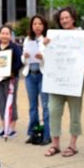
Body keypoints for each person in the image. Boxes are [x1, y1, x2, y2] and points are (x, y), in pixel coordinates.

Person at [44, 6, 84, 157]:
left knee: (75, 113)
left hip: (75, 82)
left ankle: (73, 144)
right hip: (56, 81)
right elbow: (46, 56)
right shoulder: (54, 36)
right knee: (53, 110)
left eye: (67, 17)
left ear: (73, 18)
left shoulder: (83, 35)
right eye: (61, 18)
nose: (64, 20)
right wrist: (45, 45)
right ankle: (55, 144)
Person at [22, 14, 51, 145]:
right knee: (33, 106)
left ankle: (47, 135)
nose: (37, 26)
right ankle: (33, 133)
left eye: (40, 24)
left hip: (42, 74)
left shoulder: (47, 39)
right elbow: (23, 60)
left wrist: (42, 55)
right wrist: (25, 56)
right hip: (30, 74)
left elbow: (50, 57)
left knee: (45, 106)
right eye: (34, 24)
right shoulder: (28, 39)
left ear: (43, 25)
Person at [0, 25, 23, 138]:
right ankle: (4, 128)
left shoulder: (15, 47)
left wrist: (11, 72)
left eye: (7, 33)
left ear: (10, 35)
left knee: (11, 103)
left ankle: (12, 128)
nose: (4, 35)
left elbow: (19, 62)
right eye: (2, 33)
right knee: (0, 102)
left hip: (11, 80)